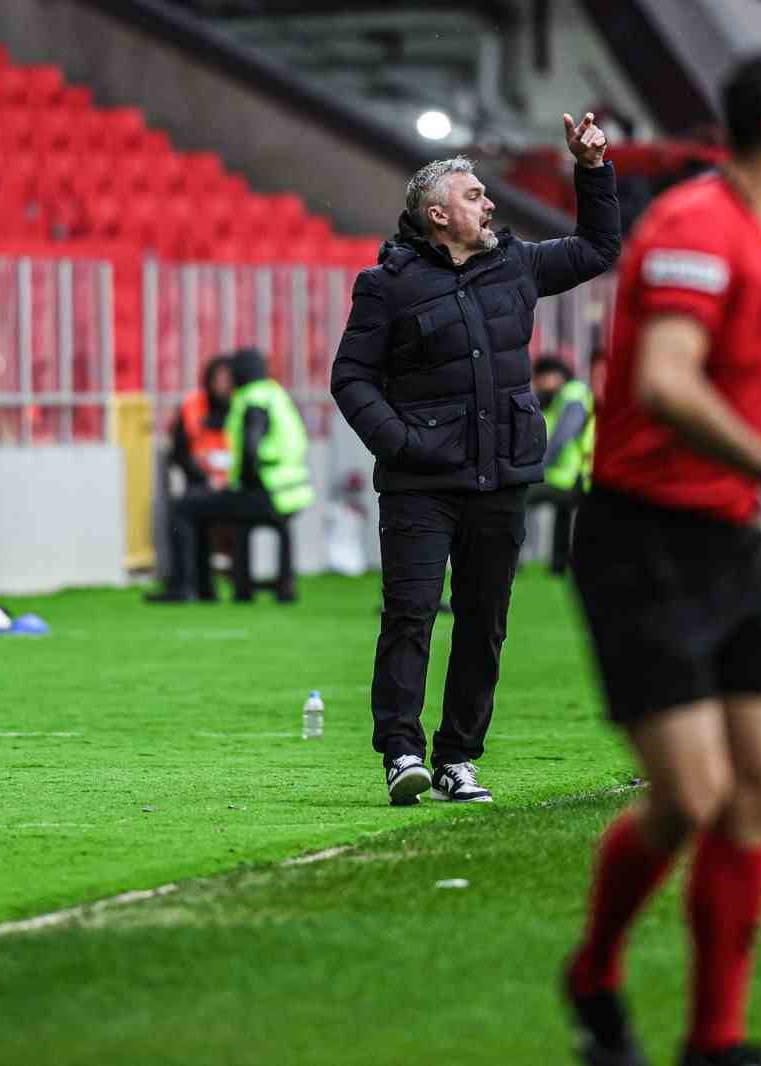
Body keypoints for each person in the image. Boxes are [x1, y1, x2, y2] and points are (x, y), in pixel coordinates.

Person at [564, 49, 761, 1066]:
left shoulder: (759, 243)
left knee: (755, 792)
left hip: (724, 543)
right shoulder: (694, 225)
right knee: (687, 797)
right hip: (638, 539)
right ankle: (594, 968)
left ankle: (713, 1042)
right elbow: (667, 383)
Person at [332, 113, 620, 807]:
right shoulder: (387, 285)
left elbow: (599, 245)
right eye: (474, 196)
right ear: (437, 215)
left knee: (484, 620)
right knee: (410, 614)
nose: (489, 204)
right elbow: (351, 378)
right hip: (420, 485)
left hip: (502, 477)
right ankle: (402, 751)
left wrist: (592, 169)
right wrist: (401, 444)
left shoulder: (516, 265)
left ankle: (459, 757)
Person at [148, 348, 314, 604]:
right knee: (200, 505)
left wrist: (240, 484)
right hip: (290, 493)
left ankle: (184, 588)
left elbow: (250, 448)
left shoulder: (252, 400)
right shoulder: (276, 396)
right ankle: (209, 589)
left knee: (183, 508)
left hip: (265, 494)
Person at [528, 354, 595, 574]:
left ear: (554, 376)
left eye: (540, 378)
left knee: (518, 499)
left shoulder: (572, 395)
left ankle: (512, 561)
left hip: (570, 475)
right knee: (563, 517)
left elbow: (562, 436)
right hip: (575, 474)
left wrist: (542, 466)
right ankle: (558, 565)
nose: (537, 384)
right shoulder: (567, 396)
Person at [167, 355, 234, 491]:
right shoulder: (193, 406)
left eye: (227, 380)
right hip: (200, 483)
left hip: (238, 484)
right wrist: (206, 480)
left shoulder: (244, 407)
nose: (222, 385)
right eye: (218, 379)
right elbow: (179, 452)